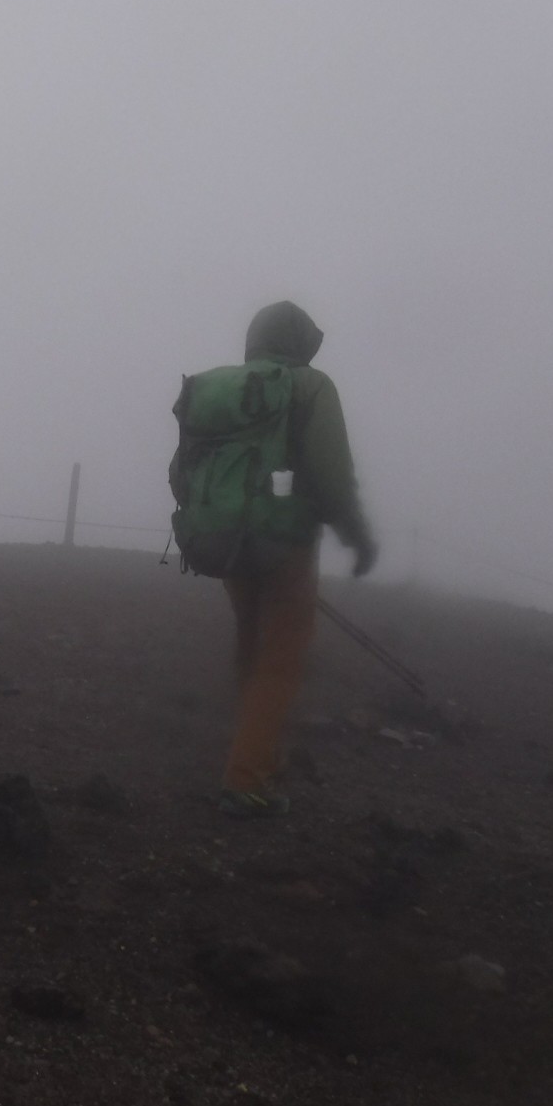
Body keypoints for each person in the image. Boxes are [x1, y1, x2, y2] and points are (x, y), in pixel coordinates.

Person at [199, 301, 376, 817]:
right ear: (299, 342)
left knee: (251, 651)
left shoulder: (224, 387)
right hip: (284, 543)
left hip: (226, 539)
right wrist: (356, 535)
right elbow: (331, 472)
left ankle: (256, 759)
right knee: (279, 663)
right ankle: (247, 780)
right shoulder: (311, 385)